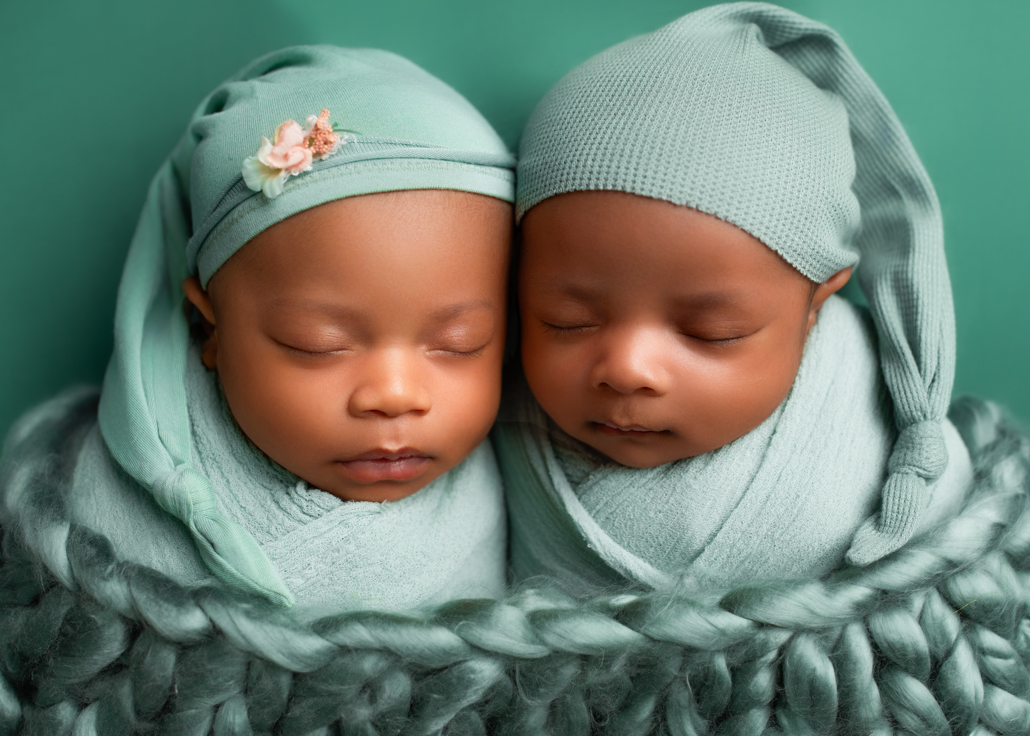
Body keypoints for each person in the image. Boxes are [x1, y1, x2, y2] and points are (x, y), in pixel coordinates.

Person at [0, 45, 515, 618]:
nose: (395, 395)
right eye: (316, 343)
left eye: (459, 343)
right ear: (207, 325)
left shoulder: (522, 485)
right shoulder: (105, 522)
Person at [495, 2, 974, 594]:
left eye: (711, 332)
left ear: (816, 304)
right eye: (566, 321)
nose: (626, 370)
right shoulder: (487, 429)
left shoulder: (876, 446)